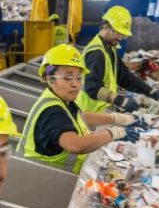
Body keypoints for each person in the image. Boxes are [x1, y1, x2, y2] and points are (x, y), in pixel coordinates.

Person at [18, 44, 144, 174]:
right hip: (43, 179)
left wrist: (117, 118)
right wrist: (113, 133)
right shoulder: (52, 111)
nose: (75, 84)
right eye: (68, 77)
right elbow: (76, 145)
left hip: (56, 174)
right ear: (50, 79)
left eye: (79, 78)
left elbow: (80, 117)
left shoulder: (60, 98)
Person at [76, 6, 159, 113]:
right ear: (106, 27)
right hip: (89, 113)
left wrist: (149, 90)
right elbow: (92, 87)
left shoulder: (109, 48)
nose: (120, 38)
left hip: (100, 110)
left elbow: (124, 76)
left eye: (123, 35)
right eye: (118, 33)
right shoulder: (96, 53)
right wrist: (119, 100)